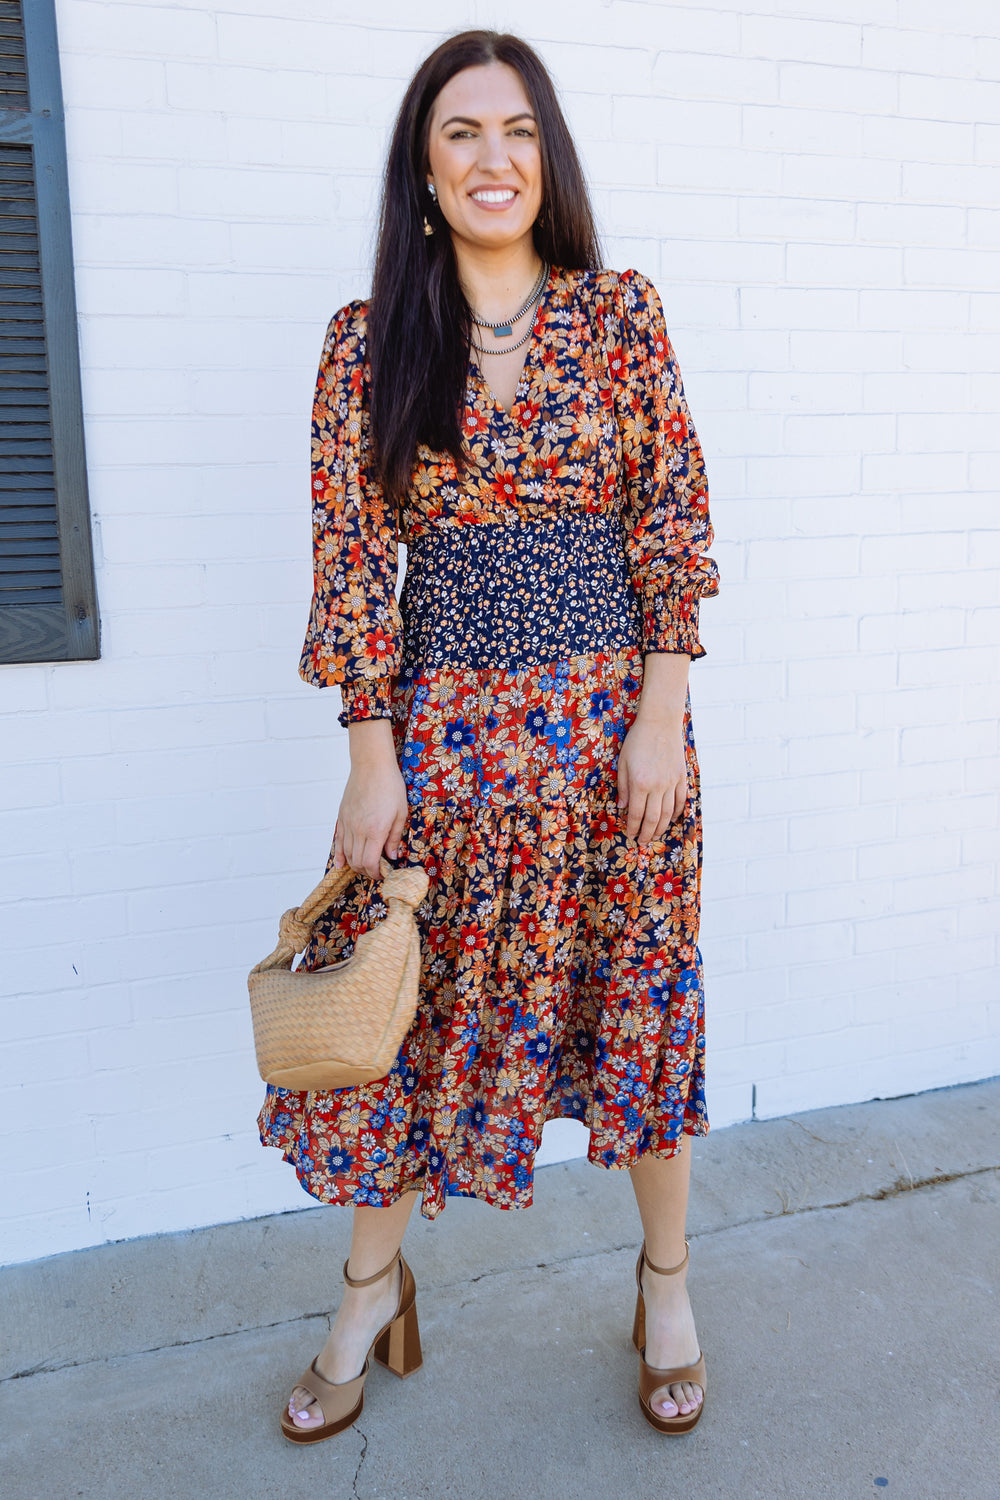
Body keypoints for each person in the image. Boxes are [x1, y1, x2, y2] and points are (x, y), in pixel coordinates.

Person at [258, 28, 720, 1441]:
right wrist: (368, 758)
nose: (492, 158)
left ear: (548, 156)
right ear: (424, 169)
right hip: (444, 751)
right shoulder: (367, 342)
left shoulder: (621, 316)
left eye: (517, 131)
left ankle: (665, 1287)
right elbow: (352, 565)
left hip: (613, 751)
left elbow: (673, 527)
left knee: (636, 1014)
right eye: (461, 133)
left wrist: (660, 716)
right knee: (404, 1024)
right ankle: (369, 1293)